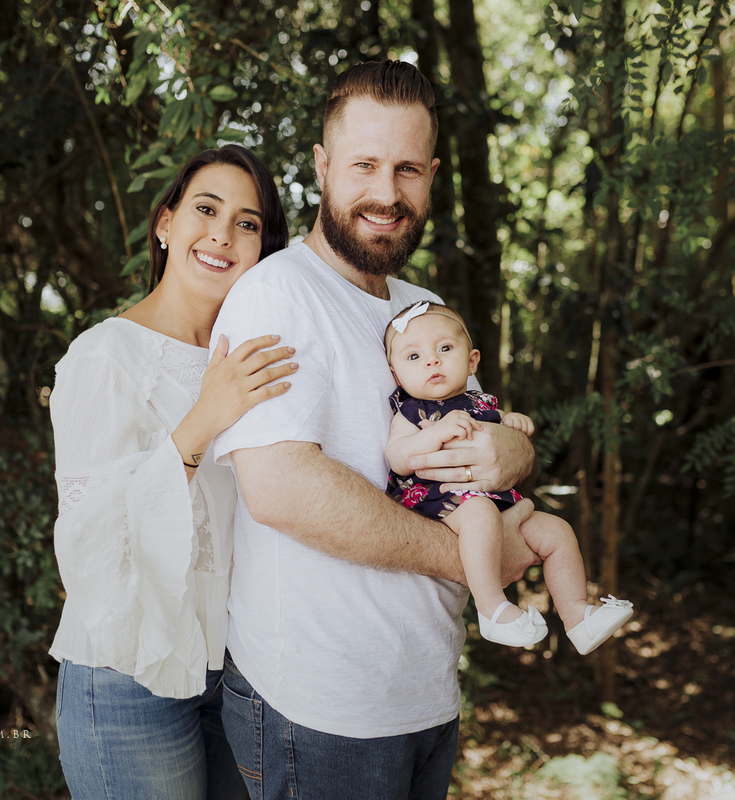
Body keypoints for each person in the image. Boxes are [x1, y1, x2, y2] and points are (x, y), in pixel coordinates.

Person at [210, 61, 539, 800]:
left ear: (432, 175)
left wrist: (518, 450)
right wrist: (471, 562)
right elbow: (284, 491)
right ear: (323, 167)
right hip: (320, 710)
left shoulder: (424, 308)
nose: (386, 194)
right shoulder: (276, 295)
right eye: (363, 165)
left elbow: (484, 445)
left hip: (422, 697)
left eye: (407, 170)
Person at [48, 145, 294, 800]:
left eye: (247, 222)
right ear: (165, 223)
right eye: (206, 209)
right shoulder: (104, 355)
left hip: (238, 677)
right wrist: (202, 419)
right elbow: (91, 546)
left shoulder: (256, 361)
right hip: (130, 675)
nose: (222, 233)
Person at [384, 301, 634, 651]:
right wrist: (435, 433)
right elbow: (397, 458)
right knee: (479, 513)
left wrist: (514, 425)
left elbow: (504, 446)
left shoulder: (482, 403)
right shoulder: (411, 410)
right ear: (396, 374)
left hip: (495, 501)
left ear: (472, 362)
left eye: (444, 348)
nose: (432, 360)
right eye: (414, 357)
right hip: (440, 500)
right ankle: (491, 610)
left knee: (557, 532)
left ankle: (578, 617)